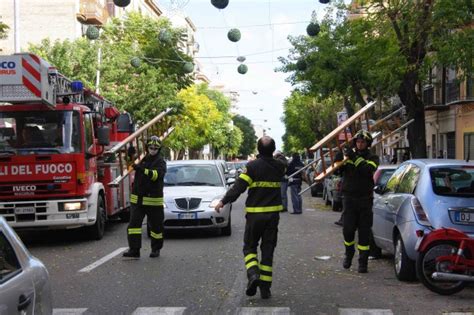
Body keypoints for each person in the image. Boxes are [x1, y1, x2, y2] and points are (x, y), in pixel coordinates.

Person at [215, 136, 287, 299]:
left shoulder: (252, 167)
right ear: (273, 150)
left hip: (255, 216)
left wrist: (223, 201)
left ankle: (253, 274)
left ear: (258, 149)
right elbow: (283, 162)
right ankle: (265, 289)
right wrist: (276, 155)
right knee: (268, 250)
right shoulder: (279, 167)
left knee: (249, 247)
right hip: (272, 217)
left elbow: (238, 187)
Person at [335, 130, 379, 273]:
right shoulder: (348, 156)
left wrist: (354, 158)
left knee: (364, 232)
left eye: (363, 142)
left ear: (367, 144)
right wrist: (338, 160)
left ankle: (363, 262)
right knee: (347, 230)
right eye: (358, 142)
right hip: (349, 199)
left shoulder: (373, 157)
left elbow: (367, 170)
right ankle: (349, 254)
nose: (360, 144)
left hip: (365, 200)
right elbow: (337, 172)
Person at [123, 136, 167, 259]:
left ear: (159, 149)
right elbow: (129, 167)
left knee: (156, 228)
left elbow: (155, 176)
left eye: (155, 148)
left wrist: (142, 169)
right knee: (133, 226)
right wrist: (129, 156)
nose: (153, 149)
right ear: (147, 147)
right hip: (138, 200)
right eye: (151, 147)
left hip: (153, 201)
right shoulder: (142, 159)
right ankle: (134, 249)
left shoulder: (160, 162)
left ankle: (156, 249)